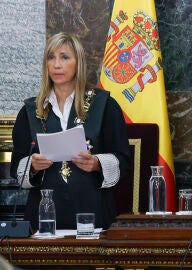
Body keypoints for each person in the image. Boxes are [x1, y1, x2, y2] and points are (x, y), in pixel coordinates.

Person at [10, 32, 130, 231]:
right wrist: (32, 166)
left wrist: (97, 163)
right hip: (43, 217)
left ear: (78, 63)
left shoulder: (104, 105)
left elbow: (124, 161)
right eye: (51, 57)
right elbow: (16, 167)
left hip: (93, 212)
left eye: (64, 57)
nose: (57, 65)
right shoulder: (30, 110)